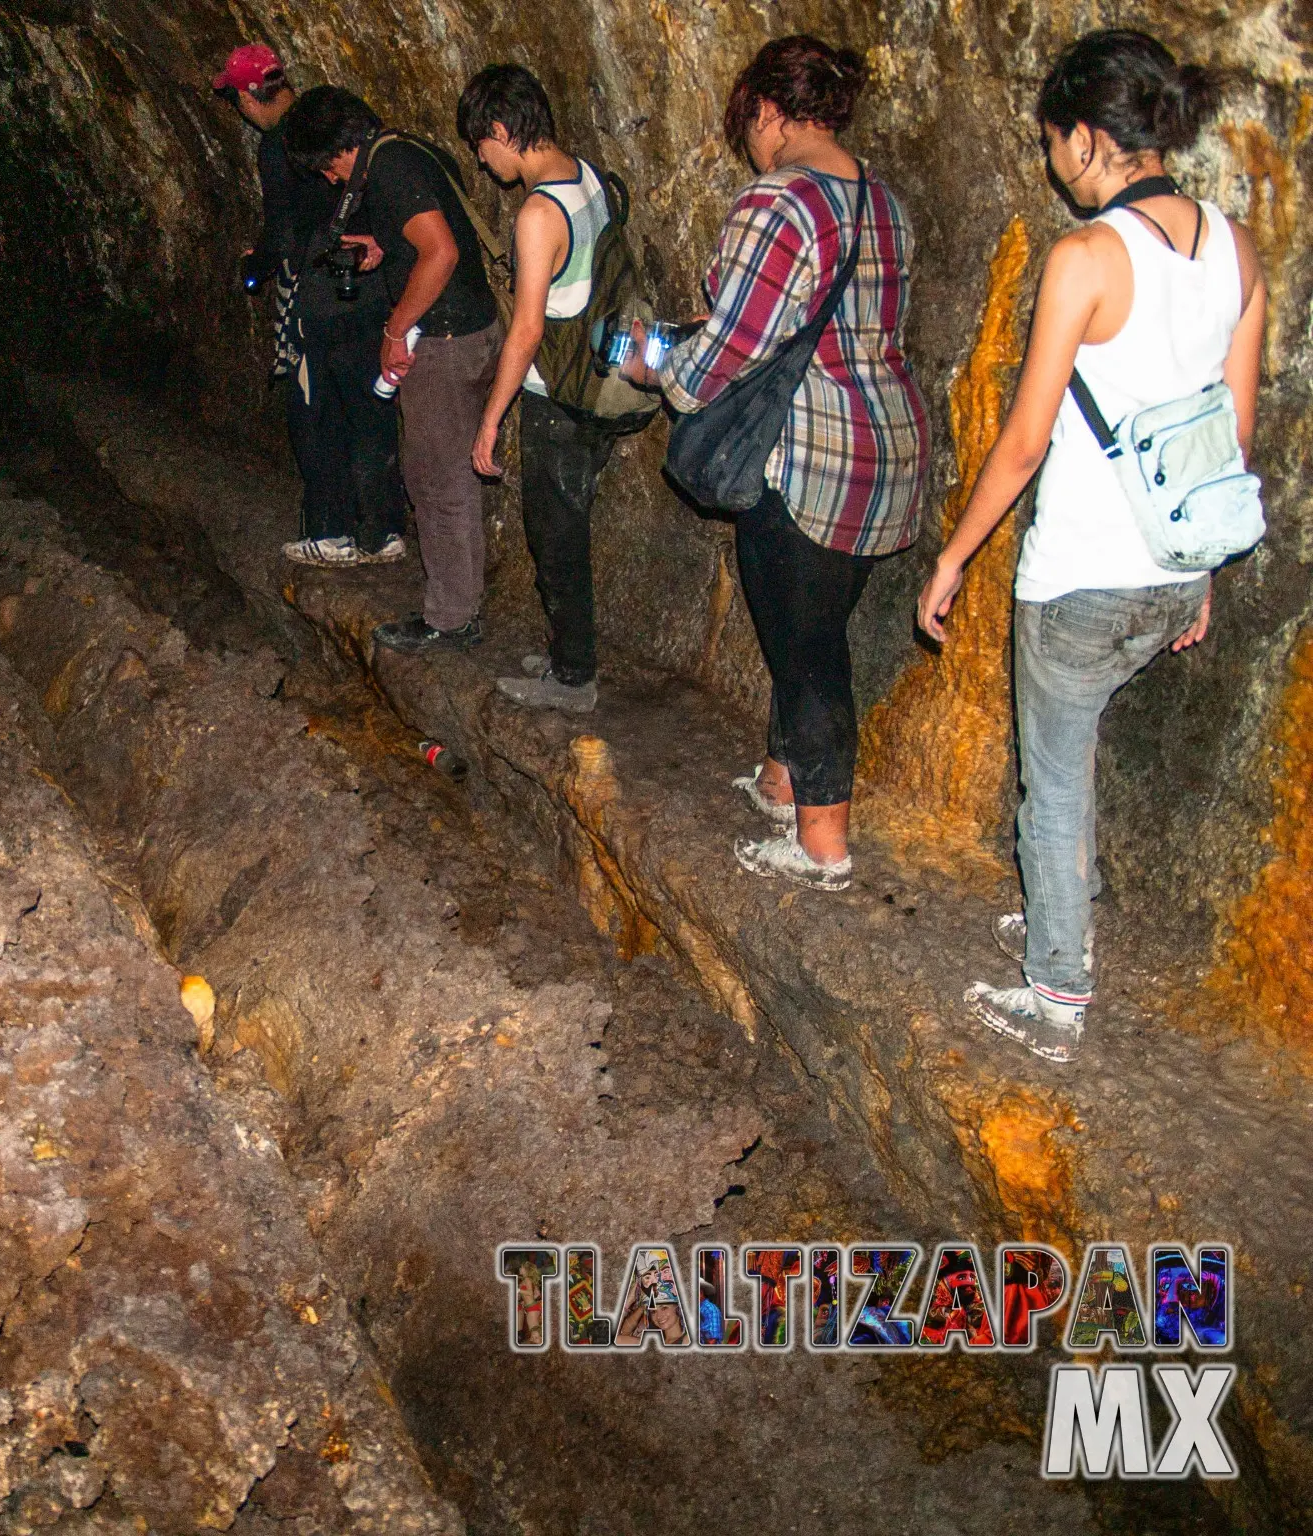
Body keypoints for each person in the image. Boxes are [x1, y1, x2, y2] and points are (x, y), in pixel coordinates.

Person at [915, 30, 1265, 1063]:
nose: (1047, 161)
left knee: (1054, 777)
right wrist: (1196, 575)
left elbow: (1023, 441)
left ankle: (1056, 994)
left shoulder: (1083, 259)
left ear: (1082, 137)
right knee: (1075, 760)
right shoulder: (1234, 248)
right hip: (1171, 564)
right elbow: (1230, 435)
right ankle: (1062, 911)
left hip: (1077, 573)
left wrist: (952, 556)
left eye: (1047, 142)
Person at [625, 36, 929, 891]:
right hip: (886, 444)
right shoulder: (883, 200)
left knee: (808, 649)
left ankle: (823, 844)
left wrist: (654, 366)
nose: (748, 143)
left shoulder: (780, 201)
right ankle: (782, 780)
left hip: (808, 453)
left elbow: (726, 352)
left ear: (766, 108)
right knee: (813, 622)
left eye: (746, 124)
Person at [283, 86, 502, 653]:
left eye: (328, 166)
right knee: (451, 476)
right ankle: (461, 603)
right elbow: (431, 233)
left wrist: (394, 328)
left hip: (445, 340)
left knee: (435, 479)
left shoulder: (389, 169)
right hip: (472, 328)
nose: (331, 180)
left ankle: (451, 618)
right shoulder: (406, 149)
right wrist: (386, 248)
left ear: (342, 147)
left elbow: (442, 252)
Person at [459, 64, 618, 715]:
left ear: (500, 130)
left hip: (556, 396)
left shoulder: (536, 213)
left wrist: (491, 419)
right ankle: (565, 651)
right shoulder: (587, 176)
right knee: (567, 524)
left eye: (480, 145)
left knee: (556, 535)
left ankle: (574, 677)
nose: (481, 159)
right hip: (597, 382)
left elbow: (525, 329)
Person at [213, 46, 408, 569]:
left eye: (234, 97)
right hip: (369, 287)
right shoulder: (336, 128)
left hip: (318, 295)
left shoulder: (282, 145)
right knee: (370, 404)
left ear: (250, 97)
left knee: (314, 410)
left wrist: (264, 259)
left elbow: (284, 227)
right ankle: (384, 528)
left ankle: (331, 529)